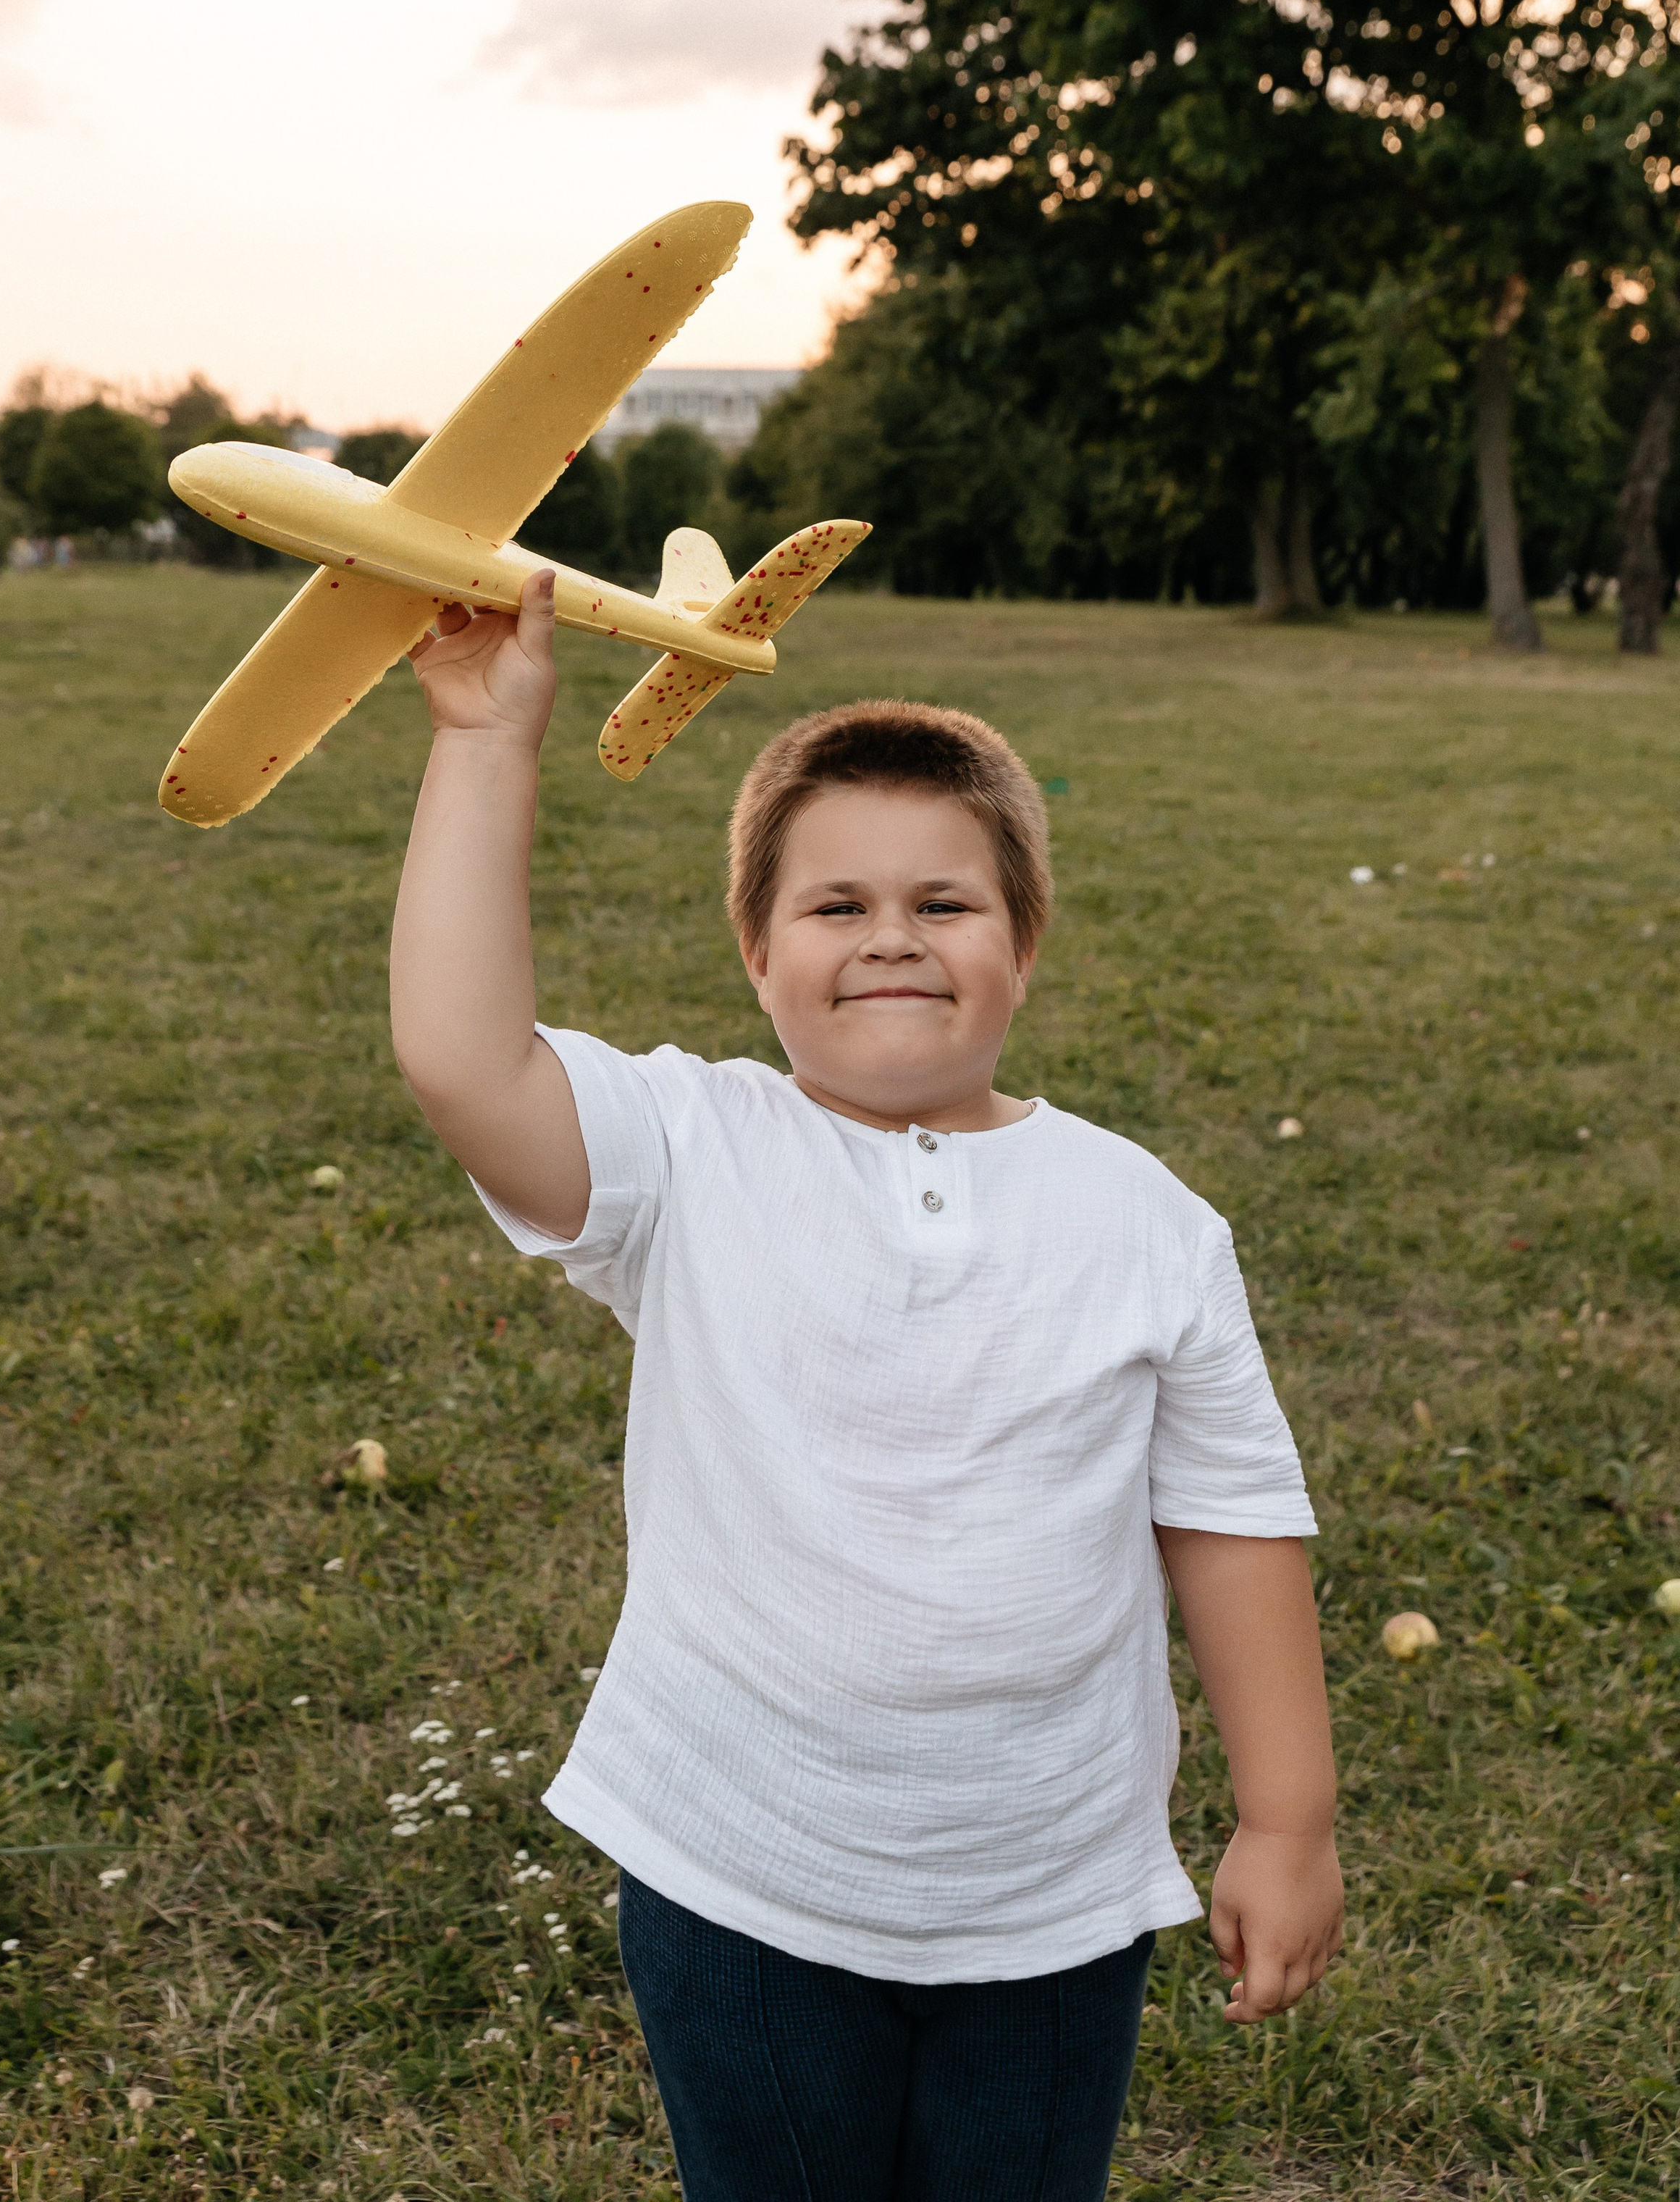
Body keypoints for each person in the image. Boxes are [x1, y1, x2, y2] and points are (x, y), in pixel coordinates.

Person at [390, 571, 1343, 2202]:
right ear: (755, 955)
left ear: (1022, 945)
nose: (889, 936)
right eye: (833, 907)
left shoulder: (1146, 1219)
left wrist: (1285, 1821)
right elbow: (465, 1060)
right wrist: (487, 746)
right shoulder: (690, 1149)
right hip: (740, 1876)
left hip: (1050, 1895)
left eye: (943, 903)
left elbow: (1230, 1521)